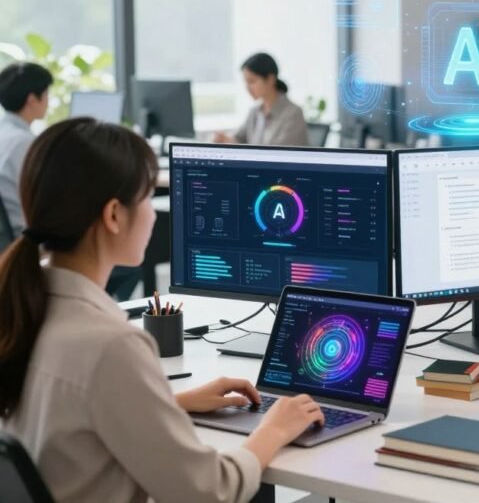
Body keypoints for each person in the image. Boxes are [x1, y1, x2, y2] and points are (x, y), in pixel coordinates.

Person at [0, 118, 325, 502]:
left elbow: (63, 419)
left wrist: (167, 405)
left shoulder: (24, 307)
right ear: (114, 215)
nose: (155, 213)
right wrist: (274, 428)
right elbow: (209, 491)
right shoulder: (111, 347)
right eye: (149, 197)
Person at [0, 62, 52, 234]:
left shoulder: (5, 132)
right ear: (32, 100)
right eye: (45, 94)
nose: (48, 101)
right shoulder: (23, 143)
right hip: (23, 238)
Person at [213, 52, 308, 146]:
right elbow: (239, 138)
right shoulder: (255, 112)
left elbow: (280, 155)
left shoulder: (293, 113)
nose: (247, 87)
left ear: (270, 79)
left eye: (251, 81)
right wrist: (225, 140)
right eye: (246, 82)